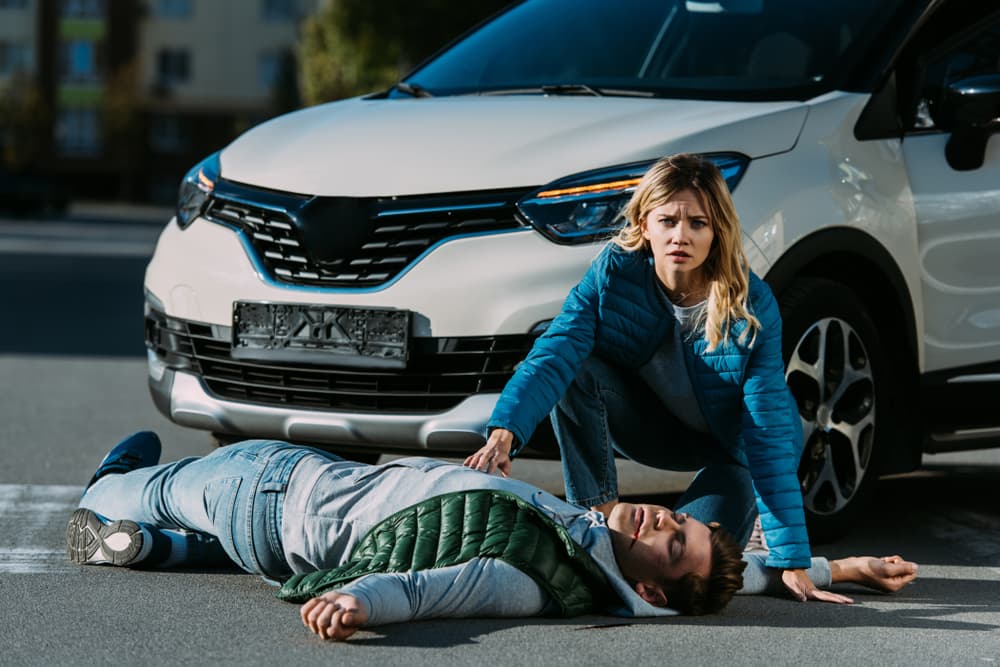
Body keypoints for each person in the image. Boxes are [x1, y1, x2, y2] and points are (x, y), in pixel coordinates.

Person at [69, 432, 917, 641]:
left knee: (147, 482)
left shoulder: (533, 573)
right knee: (207, 535)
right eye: (681, 519)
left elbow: (443, 590)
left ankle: (119, 498)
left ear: (650, 590)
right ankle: (158, 549)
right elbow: (740, 577)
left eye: (669, 541)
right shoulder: (586, 554)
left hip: (279, 484)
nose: (664, 517)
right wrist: (835, 564)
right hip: (287, 538)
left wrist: (358, 603)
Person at [465, 153, 820, 601]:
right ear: (644, 222)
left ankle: (776, 543)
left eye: (698, 223)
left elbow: (766, 429)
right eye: (668, 220)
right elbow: (554, 353)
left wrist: (793, 560)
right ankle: (596, 517)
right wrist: (503, 435)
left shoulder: (750, 304)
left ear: (718, 231)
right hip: (653, 429)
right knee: (578, 366)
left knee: (687, 571)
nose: (680, 236)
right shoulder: (613, 274)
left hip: (736, 451)